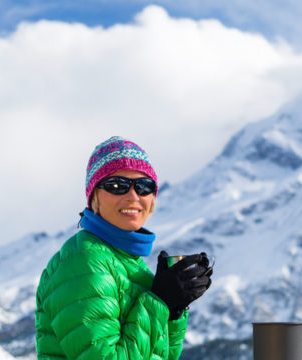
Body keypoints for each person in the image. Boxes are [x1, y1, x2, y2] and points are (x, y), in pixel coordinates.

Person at [35, 136, 212, 359]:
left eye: (144, 186)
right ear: (94, 196)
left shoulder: (125, 261)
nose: (133, 196)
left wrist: (173, 311)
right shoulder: (85, 260)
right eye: (117, 185)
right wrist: (159, 301)